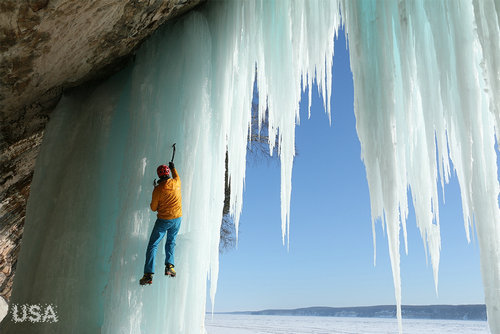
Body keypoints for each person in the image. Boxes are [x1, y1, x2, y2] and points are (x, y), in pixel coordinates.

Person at [139, 160, 182, 285]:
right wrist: (173, 167)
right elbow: (176, 176)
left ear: (159, 176)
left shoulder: (158, 190)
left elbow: (153, 208)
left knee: (153, 245)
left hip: (163, 220)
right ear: (168, 173)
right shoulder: (176, 182)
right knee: (171, 242)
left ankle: (148, 274)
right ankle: (170, 266)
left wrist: (156, 194)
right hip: (177, 219)